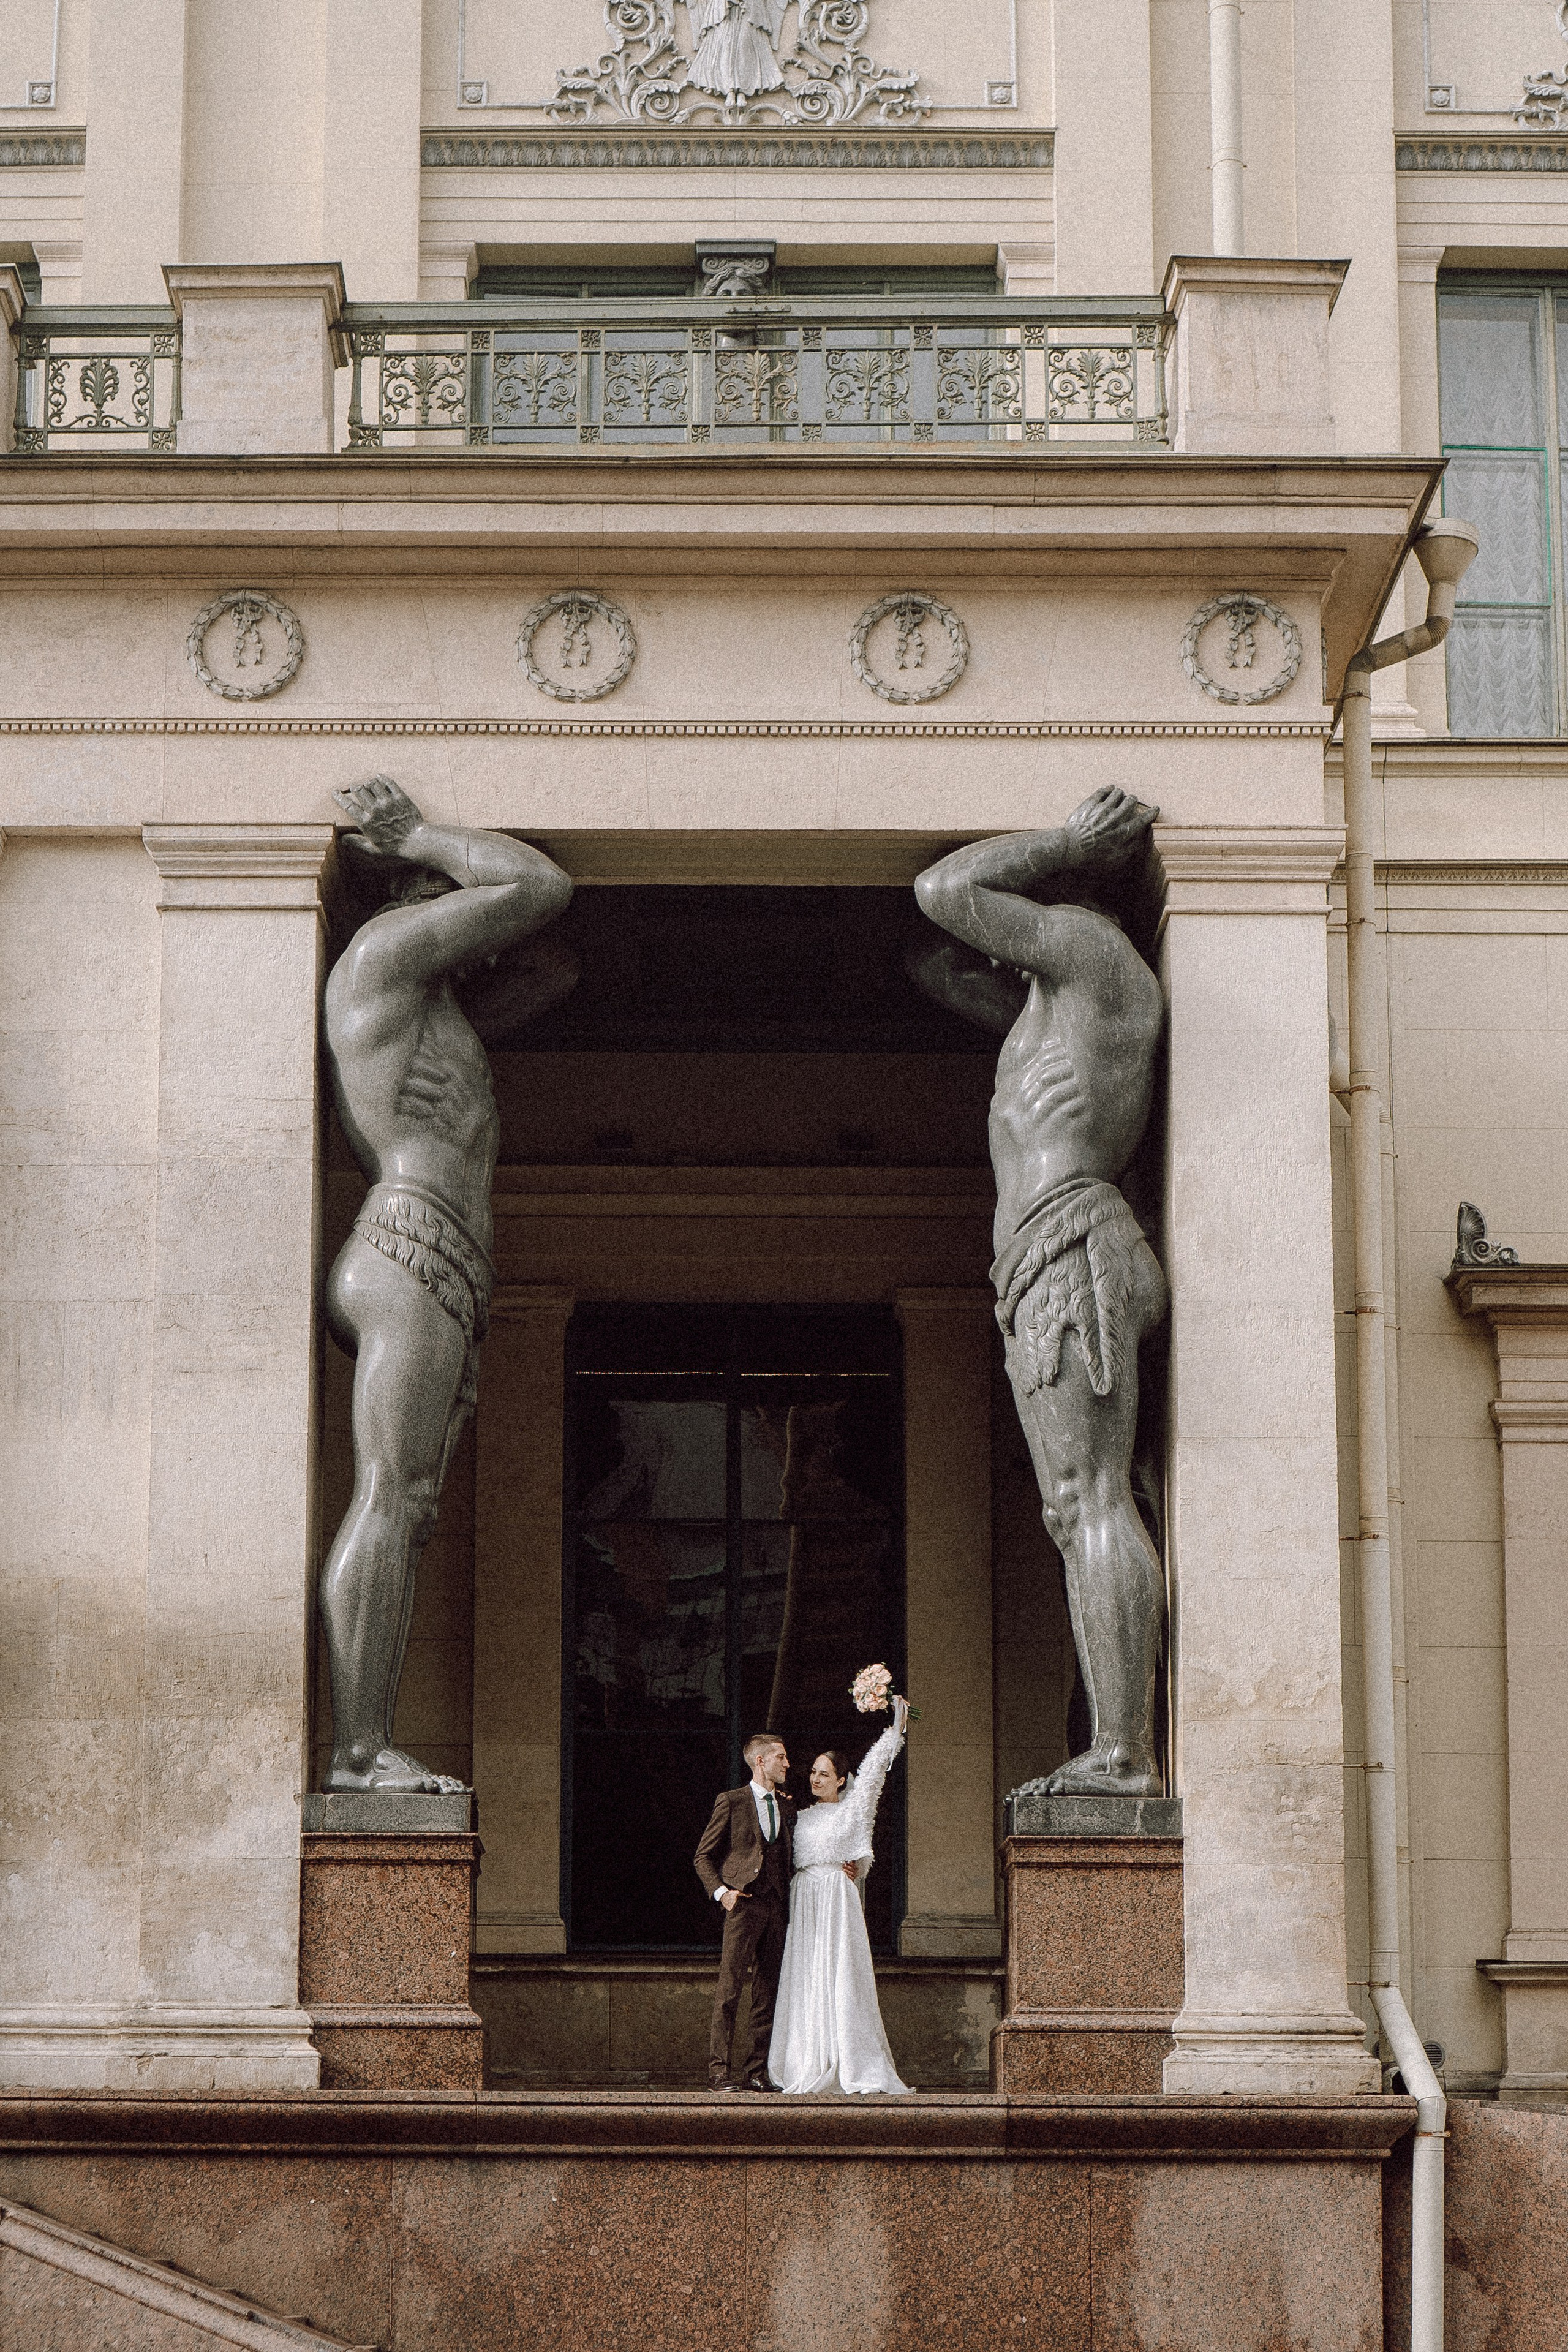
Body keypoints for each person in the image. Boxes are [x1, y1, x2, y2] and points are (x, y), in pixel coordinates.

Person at [319, 777, 576, 1793]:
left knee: (412, 1503)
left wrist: (474, 930)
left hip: (445, 1261)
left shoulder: (435, 1008)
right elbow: (538, 888)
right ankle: (358, 1754)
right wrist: (421, 835)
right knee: (390, 1496)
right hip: (408, 1244)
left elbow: (552, 965)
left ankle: (366, 1744)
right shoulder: (379, 957)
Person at [912, 788, 1167, 1797]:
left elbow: (945, 892)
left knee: (1087, 1499)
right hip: (1047, 1256)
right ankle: (1115, 1739)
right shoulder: (1054, 1004)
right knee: (1080, 1506)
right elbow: (932, 963)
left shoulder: (1096, 958)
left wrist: (1065, 843)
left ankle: (1123, 1752)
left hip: (1071, 1245)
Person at [768, 1695, 912, 2095]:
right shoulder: (799, 1815)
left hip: (835, 1898)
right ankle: (805, 2060)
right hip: (805, 1901)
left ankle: (850, 2060)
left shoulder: (853, 1810)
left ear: (841, 1780)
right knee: (807, 1977)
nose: (815, 1779)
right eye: (813, 1773)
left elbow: (874, 1774)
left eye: (824, 1774)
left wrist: (897, 1726)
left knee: (839, 1977)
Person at [694, 1732, 796, 2092]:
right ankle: (718, 2073)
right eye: (781, 1757)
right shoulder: (732, 1801)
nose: (787, 1764)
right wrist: (722, 1894)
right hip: (744, 1905)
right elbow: (702, 1856)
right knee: (730, 1990)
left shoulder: (787, 1805)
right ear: (760, 1761)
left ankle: (756, 2072)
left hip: (777, 1907)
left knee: (767, 1992)